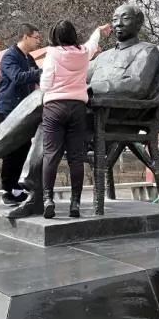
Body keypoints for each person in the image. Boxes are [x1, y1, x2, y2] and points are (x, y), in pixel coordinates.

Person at [0, 3, 159, 218]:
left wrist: (86, 88)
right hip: (82, 108)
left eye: (124, 18)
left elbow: (136, 85)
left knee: (44, 101)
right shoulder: (105, 55)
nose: (117, 23)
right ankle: (36, 195)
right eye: (115, 18)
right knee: (45, 111)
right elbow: (82, 67)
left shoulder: (146, 51)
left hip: (113, 113)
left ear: (139, 22)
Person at [40, 20, 112, 219]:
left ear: (56, 36)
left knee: (51, 155)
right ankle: (75, 203)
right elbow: (92, 43)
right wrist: (98, 30)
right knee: (76, 158)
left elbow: (45, 83)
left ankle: (48, 199)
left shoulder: (52, 54)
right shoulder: (83, 54)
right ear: (73, 35)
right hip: (78, 108)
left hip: (54, 108)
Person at [0, 23, 42, 206]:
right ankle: (7, 191)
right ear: (25, 36)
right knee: (10, 150)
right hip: (8, 111)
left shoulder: (29, 59)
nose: (38, 41)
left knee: (22, 149)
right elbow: (18, 77)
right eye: (36, 37)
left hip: (24, 112)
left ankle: (16, 189)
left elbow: (37, 78)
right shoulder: (9, 56)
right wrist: (42, 72)